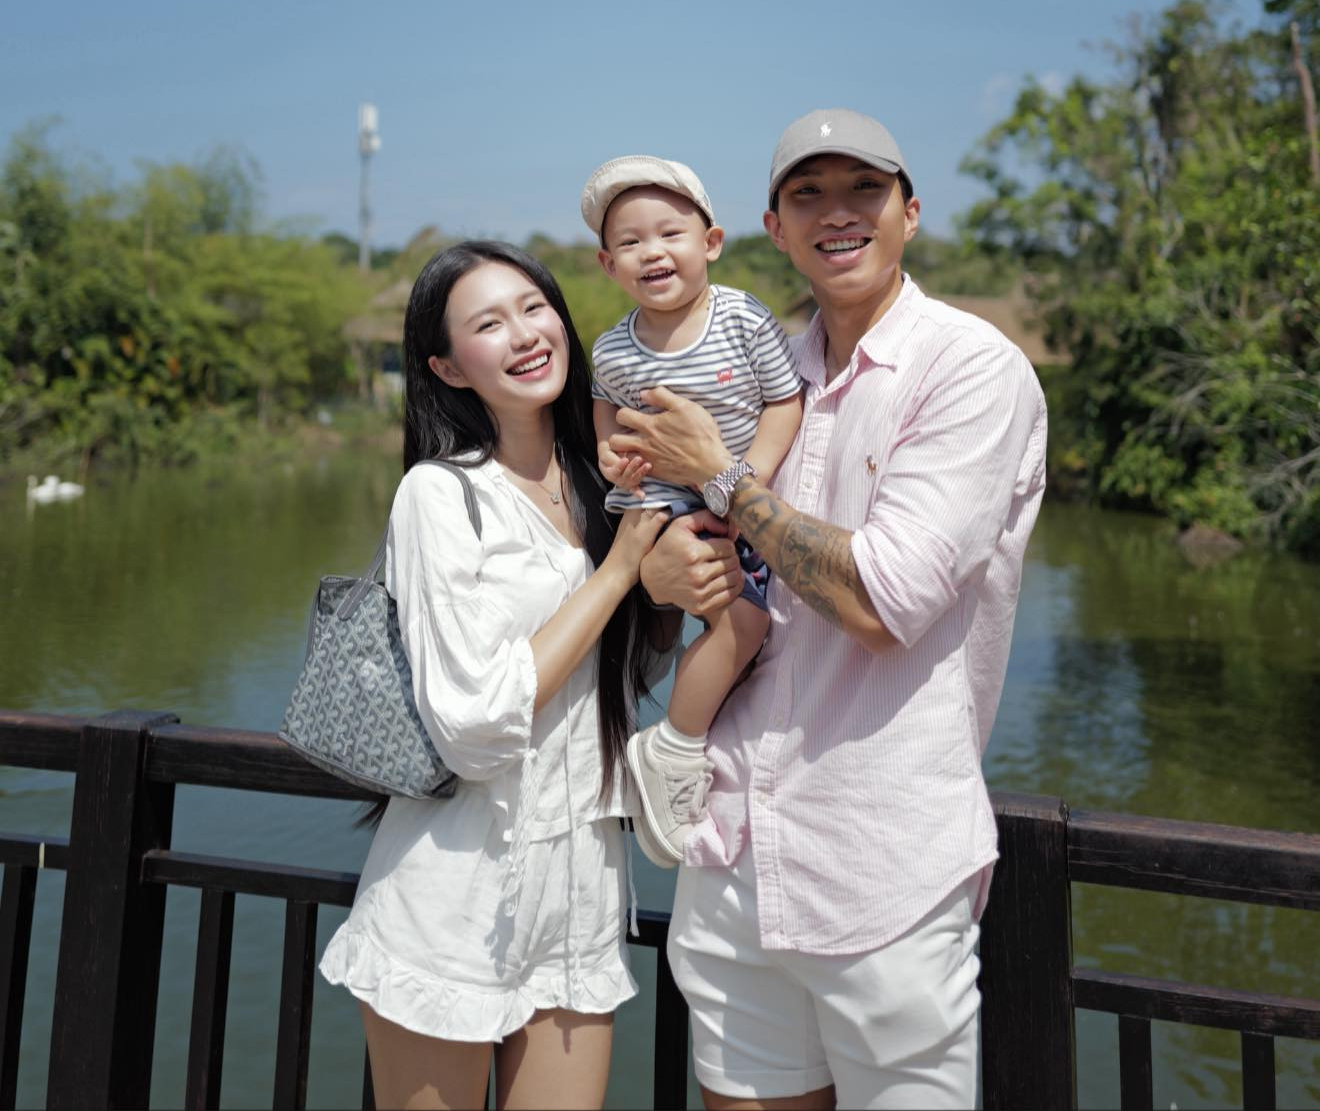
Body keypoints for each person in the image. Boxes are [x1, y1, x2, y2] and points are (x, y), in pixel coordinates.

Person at [610, 109, 1048, 1110]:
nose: (837, 214)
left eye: (865, 190)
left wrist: (722, 479)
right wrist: (663, 575)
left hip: (881, 866)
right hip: (734, 849)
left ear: (910, 213)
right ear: (773, 227)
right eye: (808, 195)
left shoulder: (968, 368)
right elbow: (693, 558)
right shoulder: (755, 369)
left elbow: (881, 601)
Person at [319, 240, 676, 1111]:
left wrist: (669, 574)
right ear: (447, 366)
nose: (523, 334)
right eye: (488, 324)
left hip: (580, 890)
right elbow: (475, 728)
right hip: (454, 895)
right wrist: (618, 573)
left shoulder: (602, 484)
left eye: (533, 306)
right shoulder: (441, 496)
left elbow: (629, 671)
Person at [579, 155, 804, 871]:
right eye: (631, 242)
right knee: (745, 620)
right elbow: (606, 418)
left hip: (735, 496)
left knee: (744, 625)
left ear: (711, 243)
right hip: (659, 506)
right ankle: (676, 746)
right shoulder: (614, 349)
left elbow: (784, 402)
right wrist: (612, 457)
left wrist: (746, 479)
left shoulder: (743, 319)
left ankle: (683, 742)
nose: (653, 252)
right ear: (608, 264)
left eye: (670, 234)